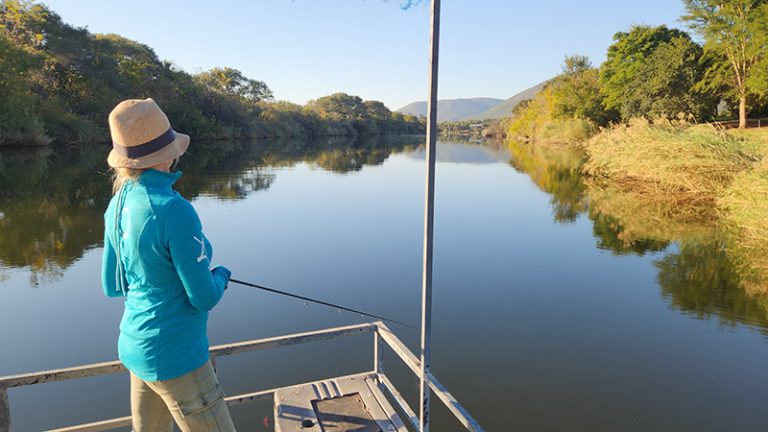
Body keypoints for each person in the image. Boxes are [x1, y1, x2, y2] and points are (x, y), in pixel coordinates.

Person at [101, 98, 236, 432]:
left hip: (135, 347)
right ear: (168, 152)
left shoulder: (118, 202)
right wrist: (220, 275)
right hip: (179, 357)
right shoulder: (174, 209)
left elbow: (112, 284)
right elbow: (203, 297)